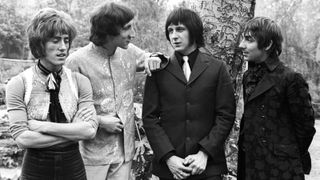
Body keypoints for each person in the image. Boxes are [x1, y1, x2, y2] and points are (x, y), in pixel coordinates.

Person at [66, 2, 162, 180]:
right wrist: (100, 121)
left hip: (125, 151)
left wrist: (152, 59)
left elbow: (152, 58)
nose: (132, 34)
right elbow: (66, 110)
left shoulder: (129, 52)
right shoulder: (76, 62)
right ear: (108, 31)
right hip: (93, 154)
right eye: (127, 28)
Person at [142, 8, 236, 180]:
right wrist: (169, 157)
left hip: (208, 167)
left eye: (180, 29)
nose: (174, 36)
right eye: (170, 30)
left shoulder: (217, 68)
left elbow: (226, 114)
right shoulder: (158, 69)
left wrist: (204, 153)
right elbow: (149, 117)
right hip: (170, 169)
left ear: (193, 30)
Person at [5, 8, 98, 180]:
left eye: (66, 40)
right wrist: (73, 131)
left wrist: (43, 126)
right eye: (55, 41)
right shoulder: (18, 84)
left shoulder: (80, 81)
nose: (63, 47)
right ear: (39, 43)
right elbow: (23, 139)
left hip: (73, 167)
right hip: (35, 169)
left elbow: (89, 131)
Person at [237, 16, 316, 180]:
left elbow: (306, 128)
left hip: (280, 170)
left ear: (267, 44)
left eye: (248, 40)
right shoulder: (247, 76)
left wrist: (283, 154)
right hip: (249, 164)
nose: (241, 45)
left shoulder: (291, 78)